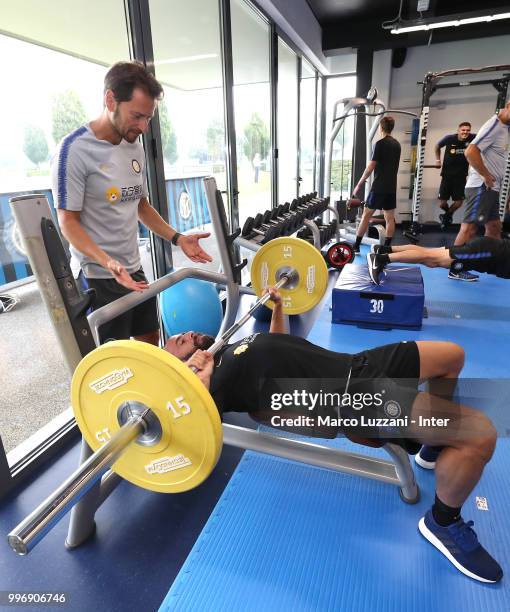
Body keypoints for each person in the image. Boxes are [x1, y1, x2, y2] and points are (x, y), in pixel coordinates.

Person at [163, 289, 502, 583]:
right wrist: (201, 386)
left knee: (452, 356)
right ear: (175, 370)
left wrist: (279, 309)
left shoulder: (228, 349)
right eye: (179, 342)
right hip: (348, 397)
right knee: (480, 434)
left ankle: (431, 445)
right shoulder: (210, 389)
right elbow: (197, 430)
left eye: (185, 332)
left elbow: (286, 347)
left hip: (357, 364)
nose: (188, 334)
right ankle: (443, 523)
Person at [51, 61, 212, 345]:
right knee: (117, 365)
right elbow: (68, 222)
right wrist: (108, 262)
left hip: (133, 269)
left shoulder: (133, 144)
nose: (143, 126)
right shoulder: (74, 149)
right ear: (110, 99)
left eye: (148, 118)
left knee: (150, 345)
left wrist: (177, 238)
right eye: (137, 116)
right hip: (99, 275)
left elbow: (140, 205)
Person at [450, 101, 510, 281]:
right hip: (481, 186)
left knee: (494, 227)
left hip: (492, 187)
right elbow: (470, 151)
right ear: (508, 105)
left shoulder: (506, 129)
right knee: (469, 228)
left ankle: (493, 264)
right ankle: (455, 268)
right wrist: (486, 175)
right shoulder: (495, 125)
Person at [366, 237, 510, 285]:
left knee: (427, 253)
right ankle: (380, 259)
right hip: (486, 254)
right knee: (431, 259)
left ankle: (384, 250)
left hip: (488, 247)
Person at [351, 116, 401, 254]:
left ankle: (356, 246)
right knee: (390, 218)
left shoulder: (379, 144)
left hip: (379, 186)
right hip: (391, 187)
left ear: (381, 127)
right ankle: (386, 248)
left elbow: (371, 167)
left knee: (366, 215)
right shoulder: (397, 144)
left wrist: (359, 184)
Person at [434, 122, 475, 229]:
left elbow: (484, 139)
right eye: (463, 130)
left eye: (467, 130)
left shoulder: (473, 138)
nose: (465, 132)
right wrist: (438, 160)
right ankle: (447, 215)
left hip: (461, 176)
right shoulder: (449, 138)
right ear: (458, 131)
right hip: (447, 175)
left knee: (458, 202)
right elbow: (437, 146)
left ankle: (446, 217)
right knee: (442, 204)